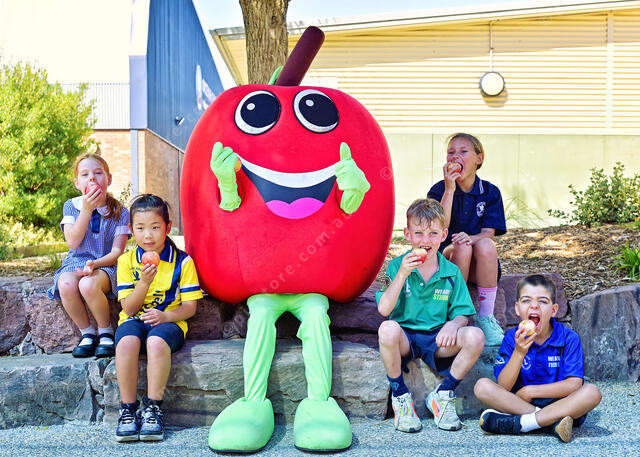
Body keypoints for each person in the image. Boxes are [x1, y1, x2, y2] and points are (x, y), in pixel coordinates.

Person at [376, 198, 485, 433]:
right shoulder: (397, 266)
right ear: (407, 234)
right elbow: (384, 309)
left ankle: (443, 394)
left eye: (433, 233)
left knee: (475, 336)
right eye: (418, 233)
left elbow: (462, 313)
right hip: (405, 338)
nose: (425, 240)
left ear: (443, 235)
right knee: (387, 329)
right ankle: (400, 396)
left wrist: (453, 325)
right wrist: (403, 274)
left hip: (437, 339)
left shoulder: (451, 272)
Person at [114, 194, 202, 442]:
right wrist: (144, 282)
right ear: (131, 230)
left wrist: (165, 316)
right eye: (140, 228)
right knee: (126, 343)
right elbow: (129, 308)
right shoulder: (126, 261)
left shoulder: (182, 262)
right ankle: (128, 409)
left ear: (167, 227)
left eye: (155, 227)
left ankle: (153, 408)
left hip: (170, 321)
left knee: (155, 343)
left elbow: (190, 308)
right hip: (133, 320)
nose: (148, 235)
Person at [474, 274, 602, 443]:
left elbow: (574, 384)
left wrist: (530, 391)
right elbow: (503, 386)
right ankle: (552, 424)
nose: (534, 306)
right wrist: (519, 352)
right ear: (517, 308)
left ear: (554, 310)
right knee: (482, 386)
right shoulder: (512, 338)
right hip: (521, 405)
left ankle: (524, 424)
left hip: (562, 404)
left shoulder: (568, 338)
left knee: (592, 392)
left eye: (542, 301)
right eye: (526, 300)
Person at [427, 133, 507, 346]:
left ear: (479, 158)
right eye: (451, 152)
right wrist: (450, 189)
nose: (455, 157)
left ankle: (486, 317)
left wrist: (470, 238)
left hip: (477, 266)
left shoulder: (490, 192)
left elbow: (488, 233)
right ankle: (455, 314)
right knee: (462, 247)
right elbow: (438, 229)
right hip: (445, 261)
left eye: (463, 152)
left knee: (485, 244)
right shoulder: (438, 190)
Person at [48, 152, 130, 358]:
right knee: (66, 284)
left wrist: (95, 264)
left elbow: (117, 252)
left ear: (108, 179)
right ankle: (87, 333)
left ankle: (105, 331)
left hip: (105, 264)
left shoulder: (120, 212)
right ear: (77, 183)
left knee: (88, 284)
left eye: (98, 173)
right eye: (85, 175)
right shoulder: (71, 206)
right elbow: (73, 242)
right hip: (76, 262)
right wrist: (86, 210)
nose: (92, 178)